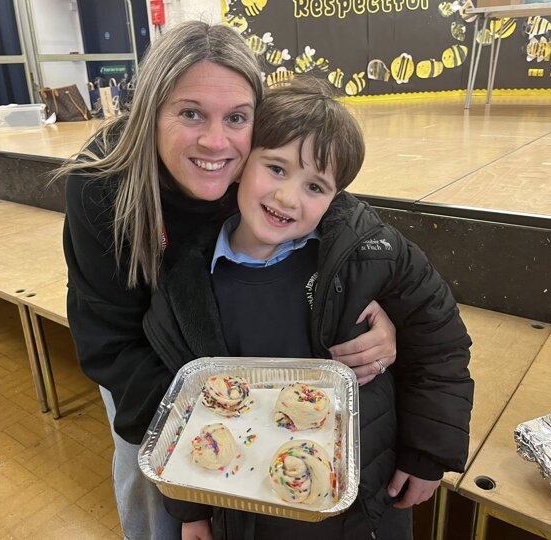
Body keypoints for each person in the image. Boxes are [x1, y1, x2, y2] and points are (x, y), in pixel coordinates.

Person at [58, 22, 397, 539]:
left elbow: (344, 225)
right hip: (142, 365)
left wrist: (380, 312)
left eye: (236, 117)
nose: (216, 142)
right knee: (148, 480)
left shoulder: (262, 163)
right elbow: (111, 344)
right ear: (150, 111)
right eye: (190, 113)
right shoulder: (100, 188)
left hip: (230, 359)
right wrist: (187, 499)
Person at [142, 79, 474, 539]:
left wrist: (428, 453)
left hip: (363, 510)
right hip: (249, 513)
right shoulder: (186, 283)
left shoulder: (370, 255)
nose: (288, 198)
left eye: (315, 186)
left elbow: (440, 342)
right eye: (276, 168)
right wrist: (190, 510)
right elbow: (181, 405)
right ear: (241, 164)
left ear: (336, 196)